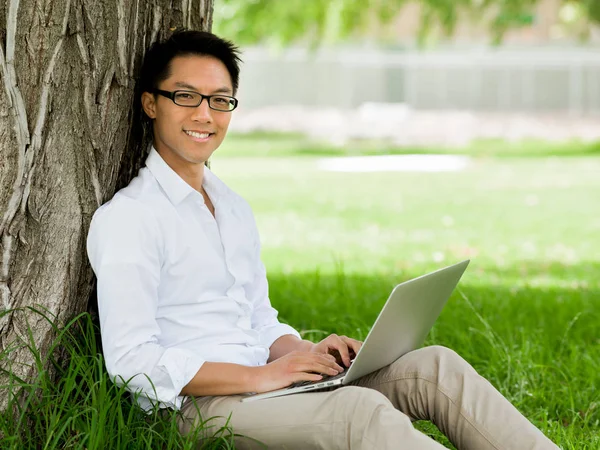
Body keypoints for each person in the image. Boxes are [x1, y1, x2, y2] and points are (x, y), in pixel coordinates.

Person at [86, 30, 559, 450]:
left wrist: (302, 354)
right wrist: (261, 377)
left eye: (219, 99)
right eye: (185, 96)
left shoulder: (230, 207)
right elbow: (132, 361)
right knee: (358, 412)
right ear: (152, 103)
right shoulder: (130, 218)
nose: (204, 115)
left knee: (433, 366)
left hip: (266, 388)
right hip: (195, 411)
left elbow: (258, 319)